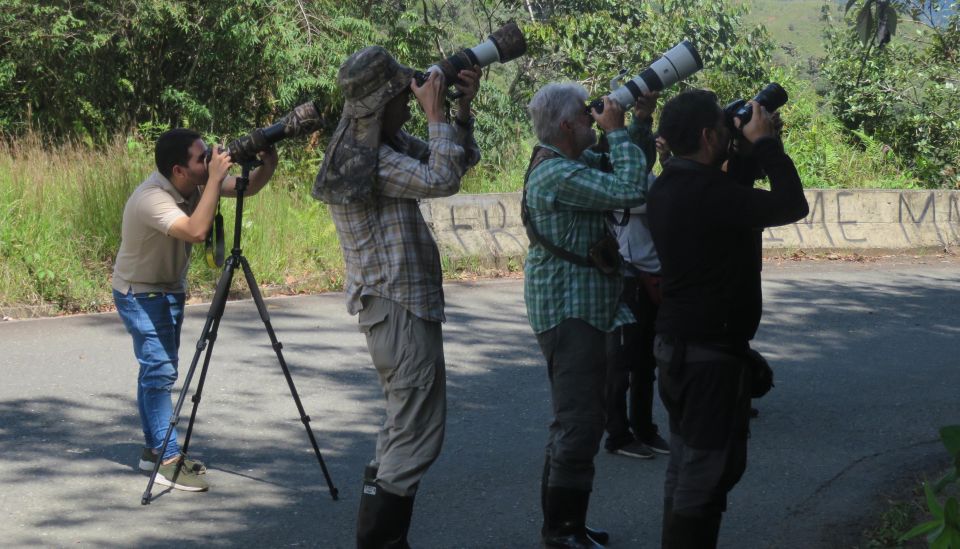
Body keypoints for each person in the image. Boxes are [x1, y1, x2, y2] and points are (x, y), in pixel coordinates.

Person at [311, 46, 481, 548]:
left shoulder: (368, 144)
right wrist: (435, 114)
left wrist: (458, 112)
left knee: (399, 430)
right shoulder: (373, 160)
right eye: (400, 95)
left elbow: (456, 157)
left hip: (391, 307)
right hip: (398, 306)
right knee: (416, 437)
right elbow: (442, 179)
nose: (409, 101)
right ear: (380, 103)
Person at [647, 89, 808, 547]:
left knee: (686, 468)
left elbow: (729, 194)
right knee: (705, 476)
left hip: (679, 349)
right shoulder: (707, 194)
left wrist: (740, 148)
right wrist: (767, 145)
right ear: (707, 136)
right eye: (722, 127)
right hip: (708, 360)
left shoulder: (670, 185)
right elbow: (792, 204)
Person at [112, 128, 278, 492]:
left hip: (168, 290)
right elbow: (197, 230)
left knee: (155, 370)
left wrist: (269, 161)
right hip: (140, 293)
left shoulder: (196, 184)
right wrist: (215, 178)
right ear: (179, 171)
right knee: (161, 371)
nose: (210, 160)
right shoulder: (151, 198)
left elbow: (247, 187)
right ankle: (167, 460)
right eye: (201, 158)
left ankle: (152, 449)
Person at [523, 82, 649, 548]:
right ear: (566, 125)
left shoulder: (572, 163)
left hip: (583, 308)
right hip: (568, 310)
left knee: (579, 421)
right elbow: (632, 189)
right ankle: (562, 531)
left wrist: (637, 123)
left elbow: (630, 165)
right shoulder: (555, 175)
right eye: (586, 113)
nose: (594, 117)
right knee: (578, 422)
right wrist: (616, 129)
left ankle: (566, 524)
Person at [603, 101, 672, 461]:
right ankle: (618, 434)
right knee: (621, 362)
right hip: (627, 278)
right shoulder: (614, 180)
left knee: (646, 361)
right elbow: (654, 202)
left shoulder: (643, 178)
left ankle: (644, 428)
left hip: (650, 277)